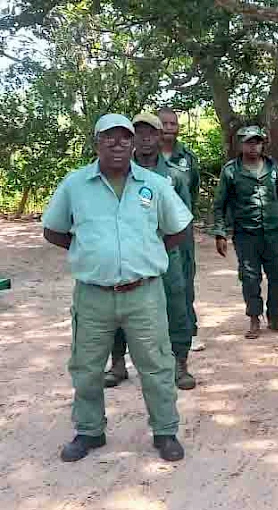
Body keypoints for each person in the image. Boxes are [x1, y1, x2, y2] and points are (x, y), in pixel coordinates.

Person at [42, 113, 192, 462]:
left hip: (144, 294)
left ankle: (165, 432)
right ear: (97, 142)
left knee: (156, 365)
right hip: (93, 295)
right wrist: (90, 253)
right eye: (109, 137)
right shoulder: (75, 184)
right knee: (87, 367)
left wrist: (147, 252)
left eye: (125, 137)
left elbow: (180, 228)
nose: (118, 143)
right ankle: (89, 431)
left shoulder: (154, 184)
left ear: (133, 143)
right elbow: (53, 230)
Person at [104, 113, 197, 391]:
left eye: (151, 133)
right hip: (127, 256)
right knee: (118, 308)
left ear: (160, 137)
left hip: (169, 254)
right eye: (139, 133)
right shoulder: (117, 173)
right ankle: (118, 363)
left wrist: (183, 259)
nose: (145, 138)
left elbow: (185, 221)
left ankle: (180, 364)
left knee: (176, 307)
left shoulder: (175, 177)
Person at [212, 126, 278, 337]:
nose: (253, 146)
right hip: (246, 234)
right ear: (240, 144)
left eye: (257, 142)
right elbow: (219, 203)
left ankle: (274, 318)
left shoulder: (272, 167)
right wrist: (220, 233)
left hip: (274, 232)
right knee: (250, 277)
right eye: (249, 142)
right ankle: (254, 319)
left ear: (262, 144)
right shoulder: (231, 170)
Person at [158, 107, 201, 341]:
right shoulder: (140, 157)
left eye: (172, 124)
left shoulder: (188, 158)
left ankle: (187, 331)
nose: (168, 128)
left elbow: (191, 193)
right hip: (149, 232)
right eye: (163, 123)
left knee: (184, 279)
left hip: (181, 232)